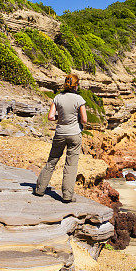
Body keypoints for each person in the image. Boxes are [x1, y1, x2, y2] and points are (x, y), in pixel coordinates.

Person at [35, 74, 88, 202]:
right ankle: (67, 196)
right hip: (74, 134)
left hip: (60, 133)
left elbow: (51, 117)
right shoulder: (79, 99)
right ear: (76, 85)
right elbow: (85, 120)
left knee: (52, 161)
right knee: (71, 165)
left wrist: (61, 118)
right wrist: (77, 120)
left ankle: (39, 189)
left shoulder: (57, 98)